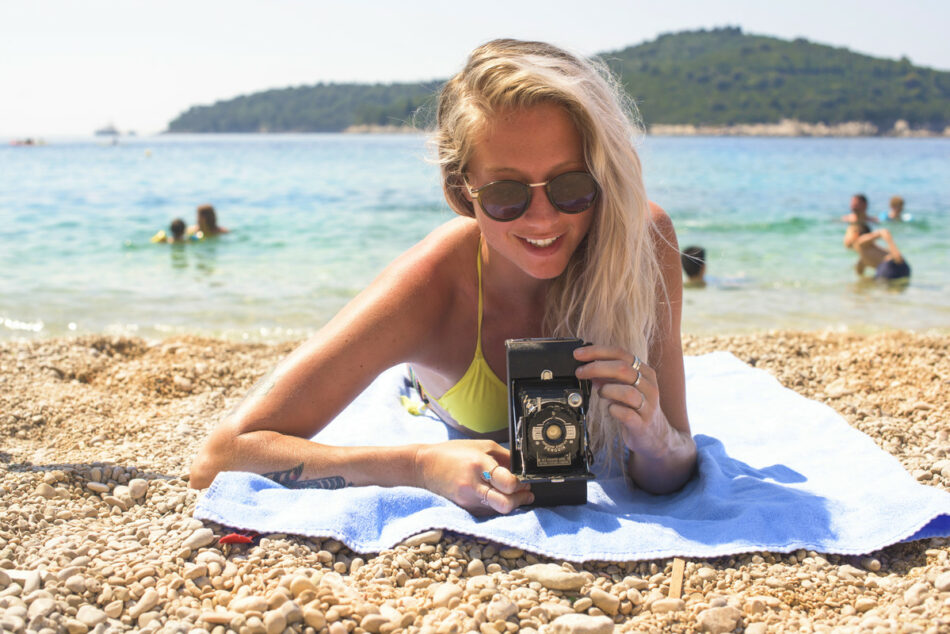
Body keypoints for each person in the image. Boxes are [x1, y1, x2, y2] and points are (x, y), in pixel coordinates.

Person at [190, 39, 697, 515]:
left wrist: (656, 438)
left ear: (604, 178)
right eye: (506, 193)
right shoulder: (429, 288)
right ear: (462, 192)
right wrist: (418, 466)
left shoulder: (641, 243)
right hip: (431, 392)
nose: (542, 219)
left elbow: (668, 470)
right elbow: (221, 456)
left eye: (570, 185)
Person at [843, 194, 910, 280]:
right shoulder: (862, 255)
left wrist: (896, 253)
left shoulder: (861, 241)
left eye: (848, 234)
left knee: (875, 282)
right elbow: (860, 270)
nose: (845, 240)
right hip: (897, 267)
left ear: (856, 234)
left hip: (893, 263)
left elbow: (884, 232)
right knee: (870, 283)